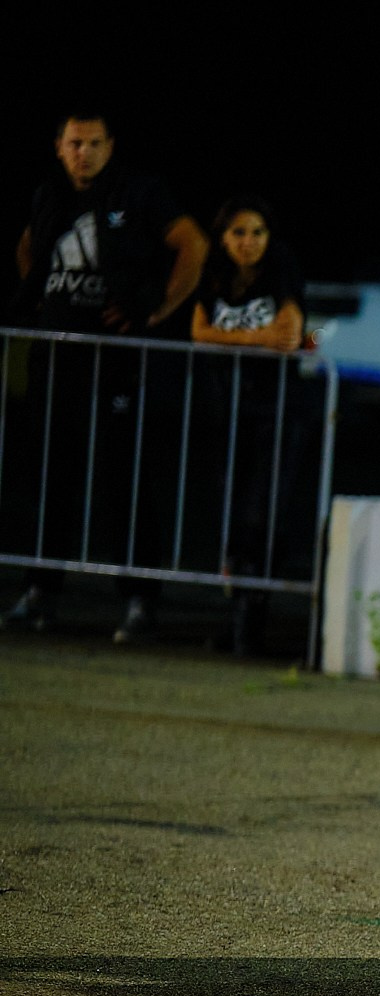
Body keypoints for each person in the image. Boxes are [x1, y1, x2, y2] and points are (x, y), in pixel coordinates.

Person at [3, 111, 209, 641]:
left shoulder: (140, 193)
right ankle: (40, 592)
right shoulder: (51, 195)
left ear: (111, 147)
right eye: (74, 143)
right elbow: (29, 246)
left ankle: (139, 601)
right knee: (52, 476)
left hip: (122, 361)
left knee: (128, 478)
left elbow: (194, 243)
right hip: (61, 355)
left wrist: (159, 310)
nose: (84, 153)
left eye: (94, 143)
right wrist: (45, 298)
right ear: (58, 147)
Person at [188, 193, 310, 654]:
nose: (248, 242)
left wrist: (232, 340)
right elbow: (197, 333)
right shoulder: (213, 275)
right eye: (238, 232)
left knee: (261, 516)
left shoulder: (282, 271)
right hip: (226, 412)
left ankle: (251, 625)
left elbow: (290, 337)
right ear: (222, 237)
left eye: (257, 232)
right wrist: (256, 338)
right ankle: (237, 616)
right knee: (230, 520)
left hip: (276, 414)